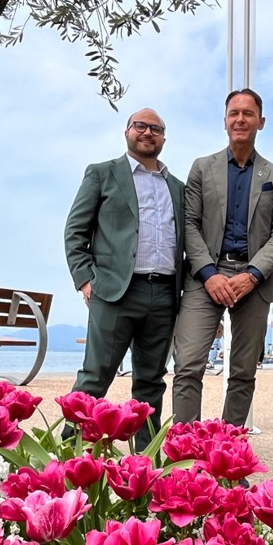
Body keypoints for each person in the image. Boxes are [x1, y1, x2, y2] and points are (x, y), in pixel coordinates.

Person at [64, 108, 185, 449]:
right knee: (94, 377)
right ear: (127, 131)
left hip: (164, 295)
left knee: (151, 383)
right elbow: (75, 231)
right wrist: (85, 279)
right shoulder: (102, 173)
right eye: (140, 126)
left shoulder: (178, 187)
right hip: (115, 292)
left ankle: (145, 460)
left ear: (164, 138)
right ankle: (66, 454)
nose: (148, 132)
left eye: (156, 129)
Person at [172, 89, 273, 426]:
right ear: (224, 121)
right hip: (205, 275)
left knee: (243, 371)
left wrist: (253, 274)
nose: (240, 119)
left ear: (261, 122)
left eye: (248, 113)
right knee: (188, 365)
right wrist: (209, 274)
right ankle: (186, 448)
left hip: (254, 279)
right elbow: (189, 223)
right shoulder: (202, 168)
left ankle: (228, 448)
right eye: (234, 113)